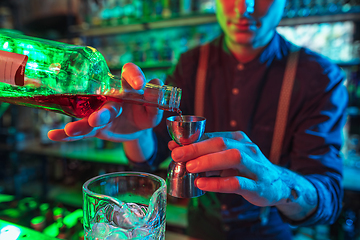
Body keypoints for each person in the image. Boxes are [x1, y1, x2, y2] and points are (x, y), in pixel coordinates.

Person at [48, 0, 348, 239]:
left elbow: (329, 200)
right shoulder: (191, 64)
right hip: (200, 229)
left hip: (272, 233)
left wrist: (280, 184)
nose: (244, 8)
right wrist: (137, 133)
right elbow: (153, 154)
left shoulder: (319, 77)